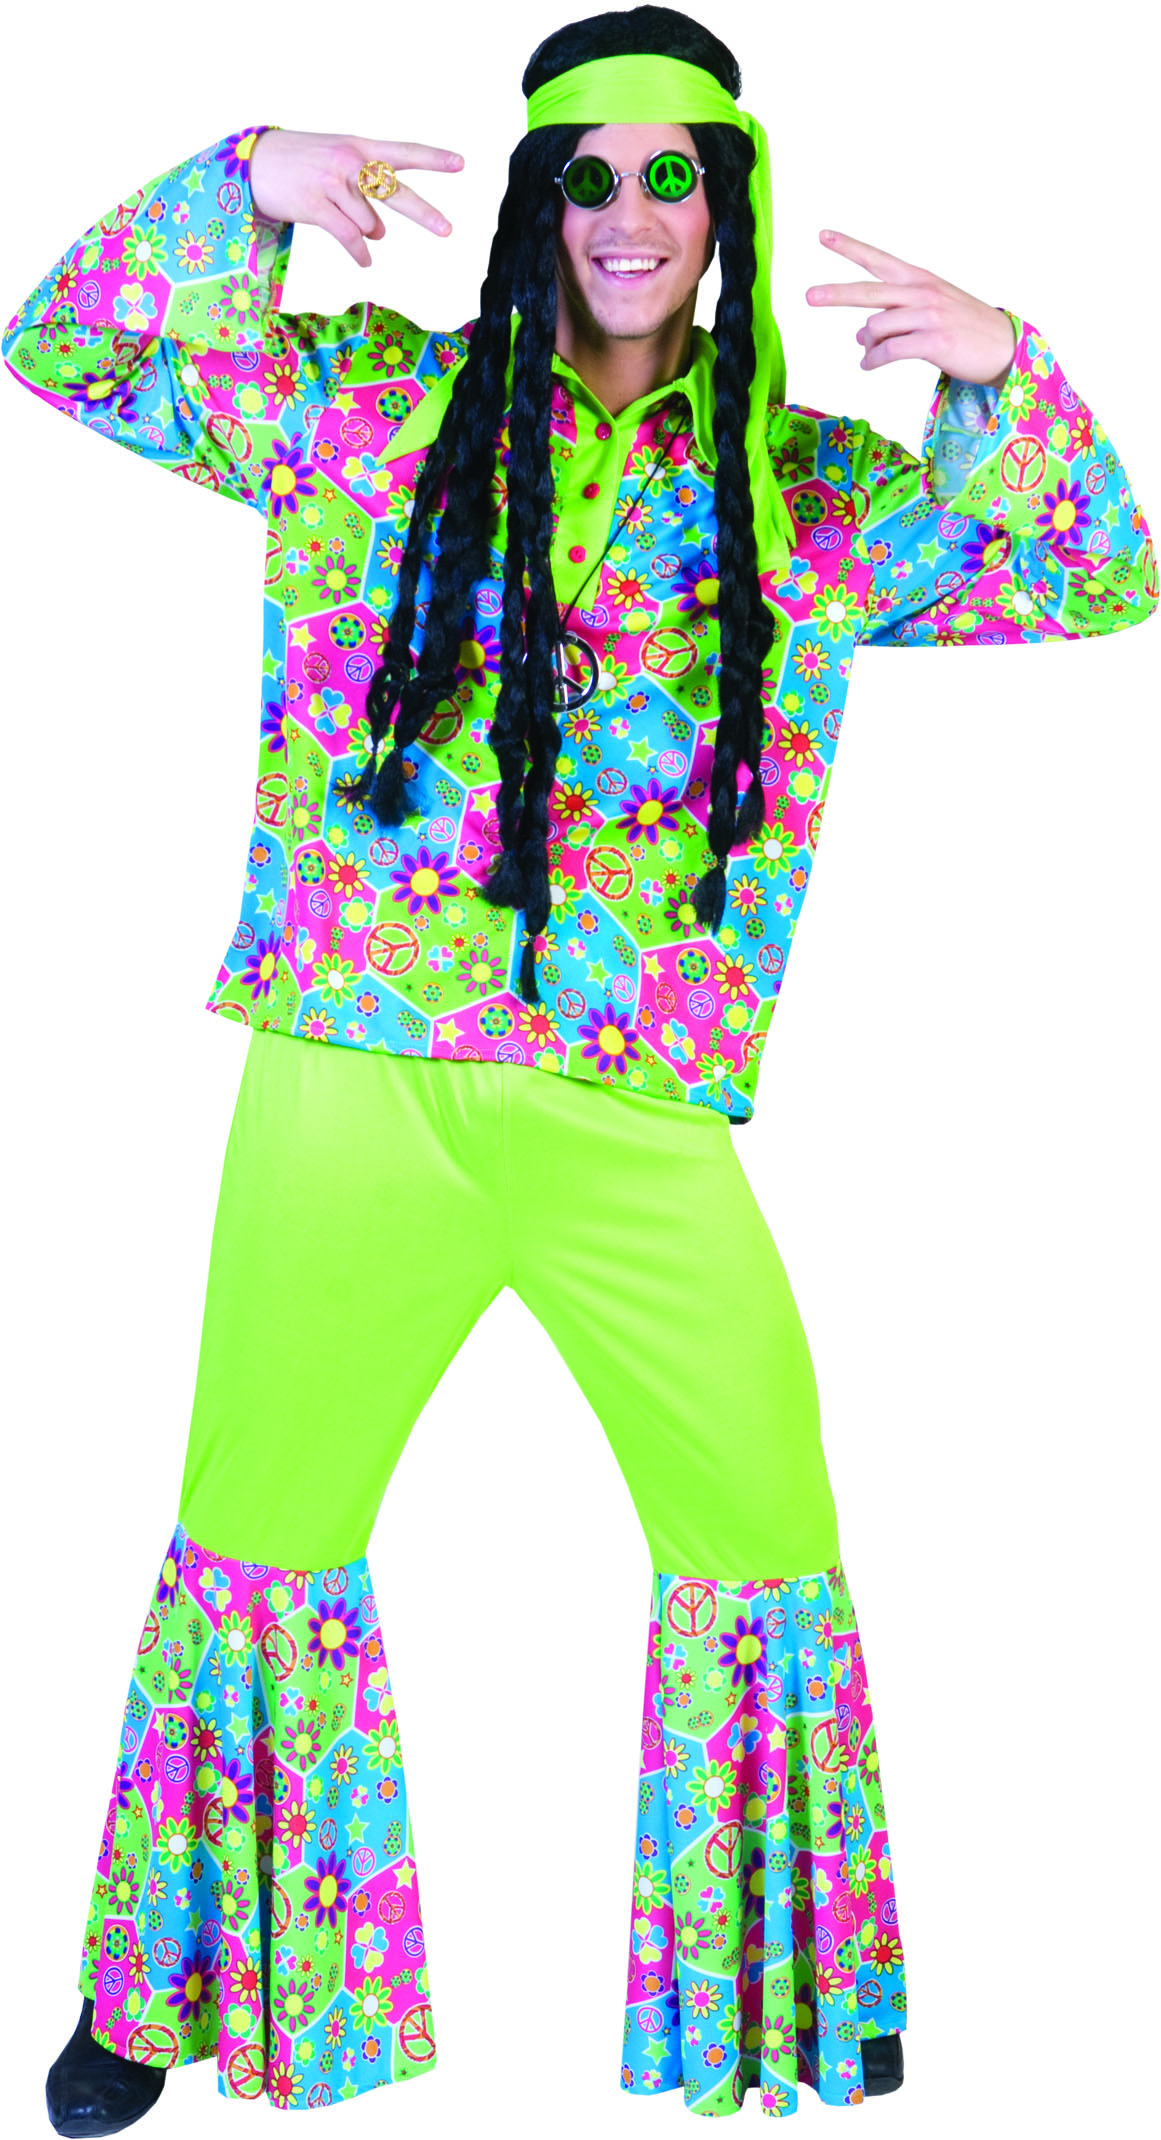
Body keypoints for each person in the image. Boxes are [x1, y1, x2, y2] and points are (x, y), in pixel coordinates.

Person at [4, 4, 1155, 2132]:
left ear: (727, 207)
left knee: (763, 1512)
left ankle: (785, 1990)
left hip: (634, 1111)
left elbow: (1094, 576)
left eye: (670, 175)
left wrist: (1007, 365)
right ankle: (156, 1994)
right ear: (538, 202)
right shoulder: (371, 404)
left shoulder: (808, 492)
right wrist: (242, 180)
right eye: (589, 175)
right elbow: (69, 348)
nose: (630, 214)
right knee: (255, 1524)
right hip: (352, 1073)